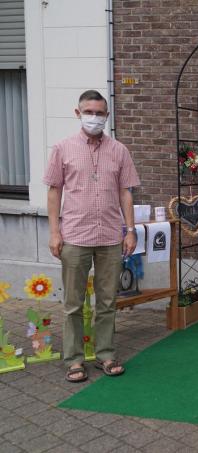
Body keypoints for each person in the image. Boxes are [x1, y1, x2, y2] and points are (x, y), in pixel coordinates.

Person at [43, 90, 140, 382]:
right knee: (73, 303)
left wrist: (131, 229)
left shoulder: (119, 150)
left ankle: (106, 355)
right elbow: (54, 190)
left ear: (107, 115)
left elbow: (126, 191)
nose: (94, 118)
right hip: (74, 236)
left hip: (110, 237)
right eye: (89, 112)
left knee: (108, 302)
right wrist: (54, 232)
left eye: (99, 113)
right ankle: (73, 360)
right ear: (78, 113)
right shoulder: (62, 148)